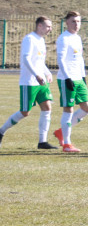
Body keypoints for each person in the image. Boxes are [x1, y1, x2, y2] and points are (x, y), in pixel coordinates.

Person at [0, 16, 55, 150]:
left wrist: (47, 72)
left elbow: (40, 61)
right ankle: (1, 131)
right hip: (29, 82)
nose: (50, 29)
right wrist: (36, 74)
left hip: (41, 82)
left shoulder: (41, 40)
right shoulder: (29, 39)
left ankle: (42, 141)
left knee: (47, 107)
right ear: (39, 26)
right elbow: (26, 59)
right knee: (25, 112)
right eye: (48, 26)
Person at [54, 11, 88, 153]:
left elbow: (80, 59)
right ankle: (67, 144)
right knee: (68, 109)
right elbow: (61, 60)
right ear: (67, 23)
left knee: (87, 108)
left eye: (78, 21)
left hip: (78, 78)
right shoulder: (64, 38)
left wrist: (83, 76)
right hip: (66, 78)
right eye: (73, 21)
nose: (76, 24)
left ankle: (60, 132)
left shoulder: (77, 38)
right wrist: (68, 77)